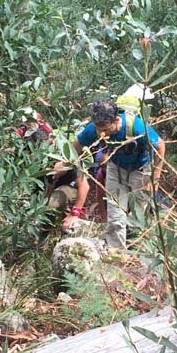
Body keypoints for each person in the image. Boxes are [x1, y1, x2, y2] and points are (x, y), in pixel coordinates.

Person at [64, 95, 165, 250]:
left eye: (106, 130)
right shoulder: (95, 129)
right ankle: (117, 252)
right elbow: (76, 146)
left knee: (138, 211)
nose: (103, 134)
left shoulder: (136, 126)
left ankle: (139, 250)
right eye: (100, 131)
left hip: (141, 171)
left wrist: (155, 177)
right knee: (115, 211)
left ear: (116, 120)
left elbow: (160, 146)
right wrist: (65, 162)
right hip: (115, 168)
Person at [17, 114, 89, 231]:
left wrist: (76, 212)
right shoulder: (36, 160)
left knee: (51, 204)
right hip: (50, 187)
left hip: (71, 187)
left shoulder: (65, 155)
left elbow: (84, 186)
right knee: (38, 205)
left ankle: (50, 231)